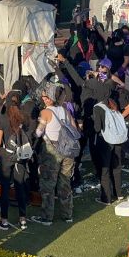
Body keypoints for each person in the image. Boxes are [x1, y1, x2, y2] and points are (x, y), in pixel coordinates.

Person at [29, 83, 77, 226]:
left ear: (50, 98)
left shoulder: (45, 112)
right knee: (65, 183)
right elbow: (74, 129)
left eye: (45, 96)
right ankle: (67, 214)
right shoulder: (65, 110)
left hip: (52, 152)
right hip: (68, 150)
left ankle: (47, 217)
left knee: (48, 185)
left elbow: (38, 132)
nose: (43, 98)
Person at [0, 92, 32, 230]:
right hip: (21, 155)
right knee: (20, 185)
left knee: (4, 187)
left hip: (5, 156)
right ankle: (23, 219)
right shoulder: (24, 117)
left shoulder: (2, 118)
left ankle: (4, 220)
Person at [93, 96, 126, 205]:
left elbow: (97, 128)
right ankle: (119, 193)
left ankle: (106, 198)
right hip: (118, 140)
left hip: (106, 141)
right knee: (117, 167)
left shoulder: (97, 108)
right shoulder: (113, 103)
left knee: (105, 170)